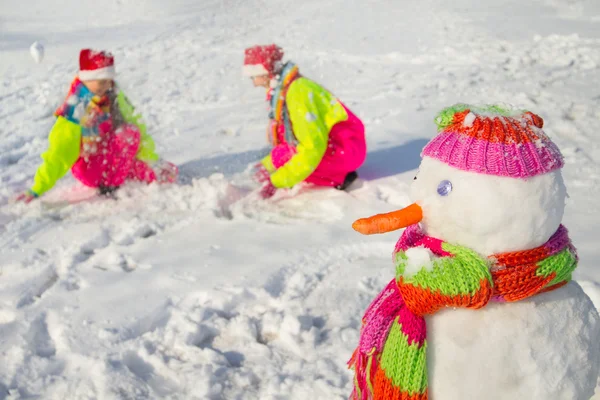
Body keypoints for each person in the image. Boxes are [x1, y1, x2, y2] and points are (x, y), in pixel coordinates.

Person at [16, 49, 177, 203]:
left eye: (109, 80)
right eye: (102, 82)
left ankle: (121, 176)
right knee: (128, 134)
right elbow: (60, 152)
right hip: (89, 167)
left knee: (163, 173)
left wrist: (152, 161)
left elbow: (135, 123)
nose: (107, 86)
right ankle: (110, 186)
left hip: (113, 159)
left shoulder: (113, 94)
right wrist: (38, 188)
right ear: (87, 79)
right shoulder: (76, 107)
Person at [243, 44, 366, 199]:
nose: (254, 83)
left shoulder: (296, 94)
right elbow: (291, 144)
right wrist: (267, 166)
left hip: (345, 149)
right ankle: (332, 170)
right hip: (338, 144)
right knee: (282, 158)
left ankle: (338, 175)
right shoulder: (284, 89)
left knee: (298, 163)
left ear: (267, 73)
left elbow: (313, 146)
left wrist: (278, 181)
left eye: (254, 77)